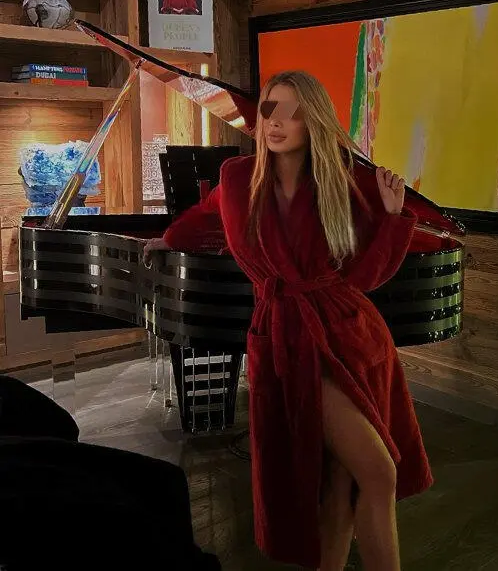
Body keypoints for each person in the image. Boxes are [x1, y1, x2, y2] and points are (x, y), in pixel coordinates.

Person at [143, 71, 433, 571]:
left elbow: (364, 277)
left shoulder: (339, 186)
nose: (276, 122)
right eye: (270, 108)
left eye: (293, 112)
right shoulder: (238, 178)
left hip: (350, 334)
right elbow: (202, 217)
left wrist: (391, 217)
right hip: (284, 336)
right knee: (373, 472)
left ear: (313, 121)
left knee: (351, 476)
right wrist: (167, 239)